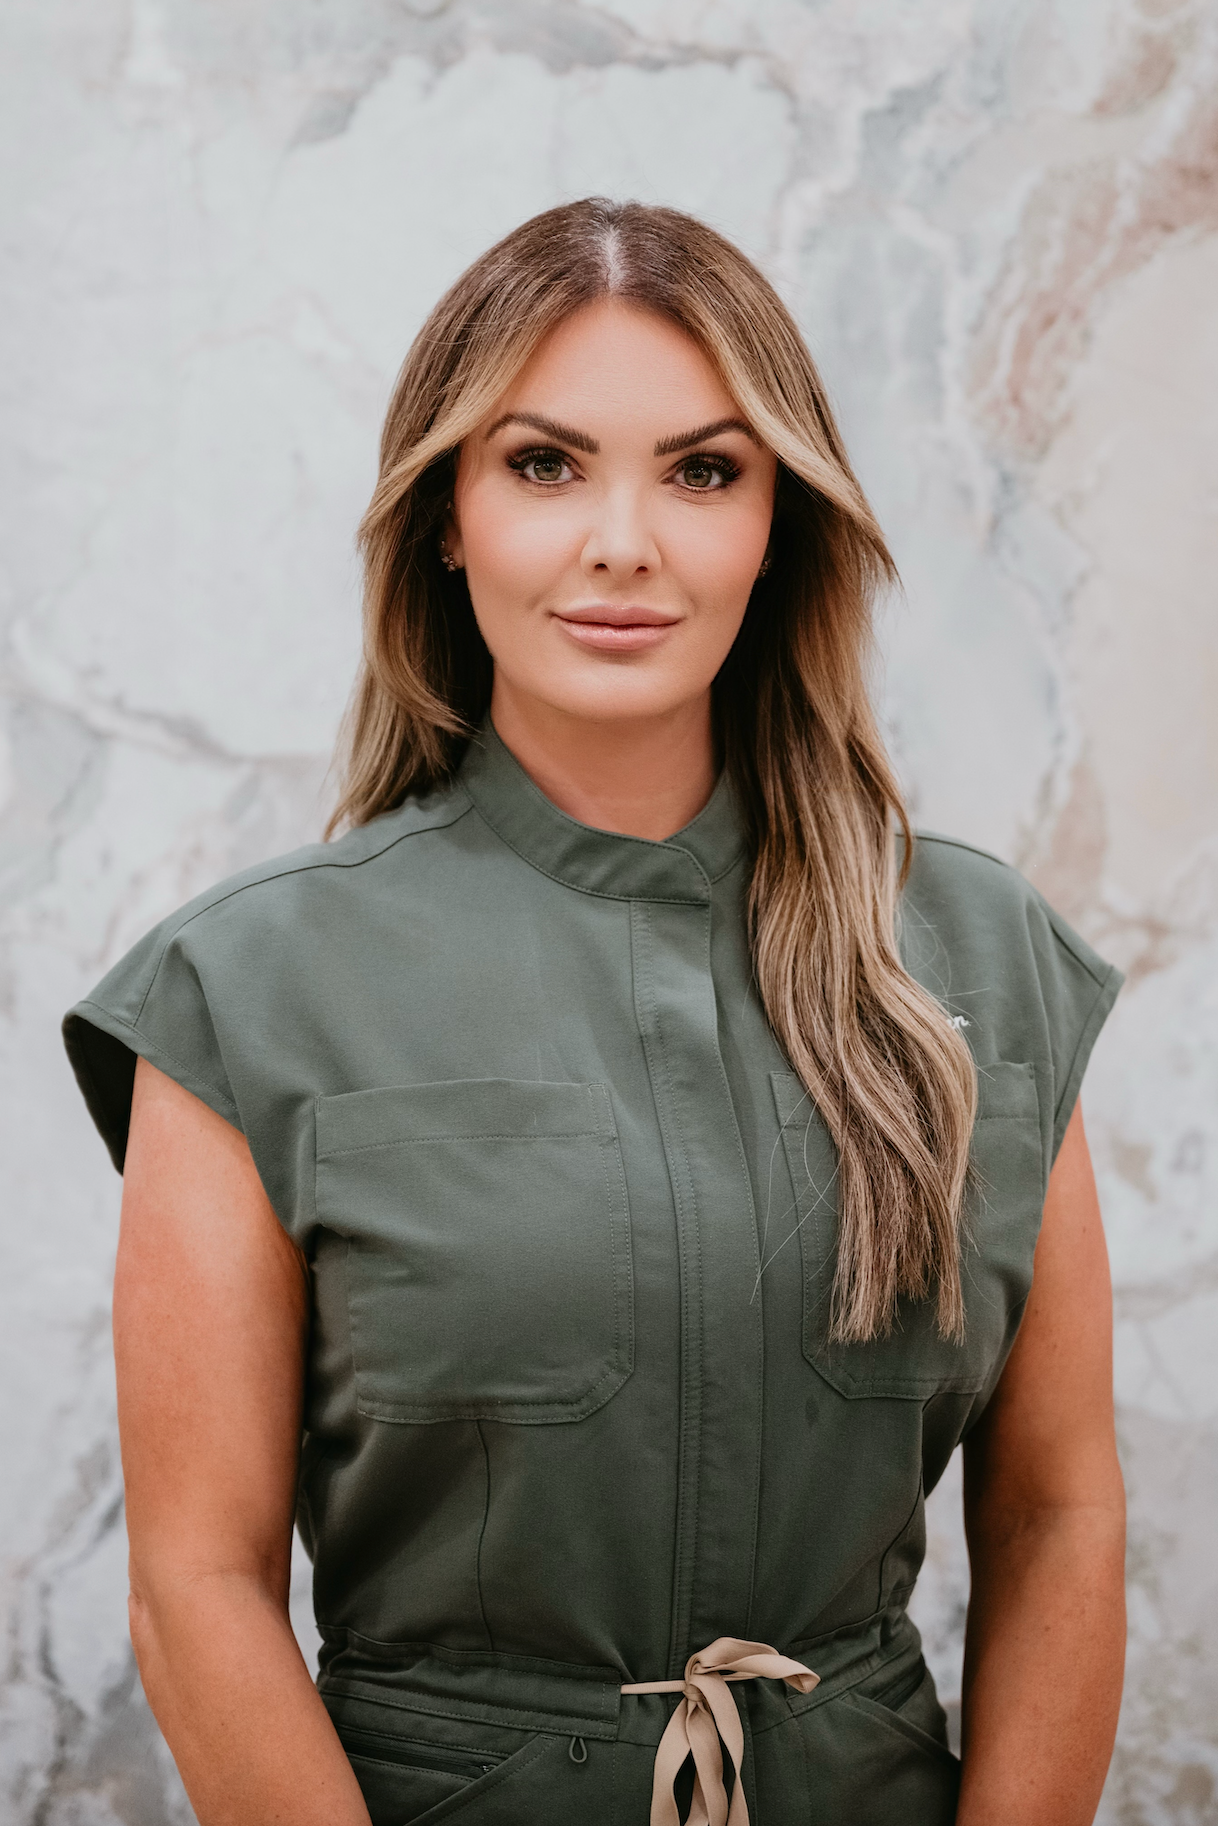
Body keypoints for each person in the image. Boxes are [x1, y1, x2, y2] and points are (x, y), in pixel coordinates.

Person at [63, 198, 1126, 1826]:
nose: (621, 540)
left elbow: (1056, 1513)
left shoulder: (979, 960)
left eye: (703, 470)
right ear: (446, 516)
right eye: (543, 463)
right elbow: (195, 1582)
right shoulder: (247, 996)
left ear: (778, 522)